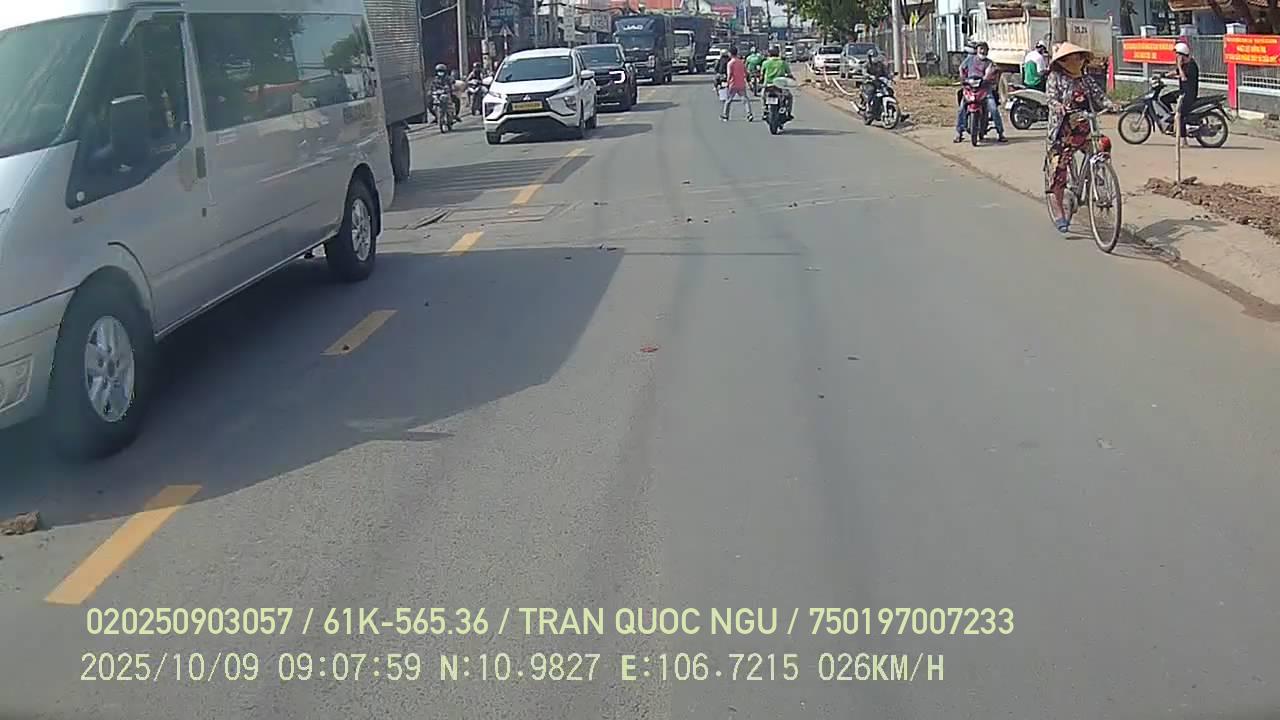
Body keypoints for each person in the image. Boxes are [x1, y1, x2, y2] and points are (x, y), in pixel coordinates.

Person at [1043, 42, 1119, 233]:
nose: (1077, 61)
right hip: (1063, 130)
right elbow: (1051, 98)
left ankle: (1097, 175)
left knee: (1102, 146)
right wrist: (1058, 106)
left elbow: (1099, 96)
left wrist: (1110, 104)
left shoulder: (1086, 80)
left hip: (1085, 126)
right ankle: (1059, 210)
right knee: (1059, 168)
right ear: (1063, 61)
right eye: (1073, 58)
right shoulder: (1055, 78)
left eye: (1079, 57)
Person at [954, 40, 1006, 143]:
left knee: (994, 109)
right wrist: (963, 78)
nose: (982, 51)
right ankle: (959, 133)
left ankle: (1000, 133)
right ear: (977, 50)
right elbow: (961, 68)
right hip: (970, 89)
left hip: (984, 90)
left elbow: (992, 73)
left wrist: (988, 77)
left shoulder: (989, 63)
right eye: (981, 48)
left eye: (985, 49)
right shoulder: (969, 59)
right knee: (961, 109)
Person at [1171, 40, 1198, 143]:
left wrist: (1178, 65)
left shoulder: (1191, 65)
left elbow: (1183, 78)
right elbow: (1176, 72)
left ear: (1182, 55)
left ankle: (1183, 139)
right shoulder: (1185, 64)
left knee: (1180, 115)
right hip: (1183, 92)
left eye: (1178, 56)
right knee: (1166, 98)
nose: (1176, 58)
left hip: (1189, 95)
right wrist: (1162, 75)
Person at [760, 46, 793, 121]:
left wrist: (761, 81)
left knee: (762, 96)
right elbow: (789, 73)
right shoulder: (782, 63)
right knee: (789, 97)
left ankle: (764, 110)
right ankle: (788, 113)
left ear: (769, 53)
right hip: (780, 86)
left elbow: (762, 75)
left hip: (768, 85)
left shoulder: (765, 63)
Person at [722, 46, 754, 121]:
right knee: (745, 100)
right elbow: (746, 72)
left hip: (733, 84)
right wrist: (747, 81)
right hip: (741, 83)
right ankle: (749, 114)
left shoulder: (730, 63)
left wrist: (727, 82)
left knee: (728, 100)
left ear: (730, 53)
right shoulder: (741, 62)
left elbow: (730, 74)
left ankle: (725, 115)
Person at [862, 47, 891, 117]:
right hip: (869, 82)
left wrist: (890, 76)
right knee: (871, 91)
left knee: (889, 91)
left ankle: (894, 110)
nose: (874, 58)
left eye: (875, 56)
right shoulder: (866, 64)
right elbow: (864, 72)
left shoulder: (880, 64)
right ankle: (869, 108)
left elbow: (886, 72)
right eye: (872, 57)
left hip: (879, 82)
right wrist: (869, 76)